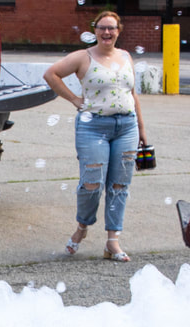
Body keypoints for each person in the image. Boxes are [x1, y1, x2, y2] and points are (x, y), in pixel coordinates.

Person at [44, 11, 146, 263]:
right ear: (95, 30)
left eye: (111, 28)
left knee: (120, 185)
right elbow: (51, 75)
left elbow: (132, 94)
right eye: (102, 28)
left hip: (127, 126)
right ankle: (82, 227)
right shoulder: (83, 57)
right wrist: (75, 100)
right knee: (92, 183)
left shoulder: (126, 57)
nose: (107, 33)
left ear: (119, 31)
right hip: (93, 128)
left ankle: (113, 240)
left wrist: (142, 129)